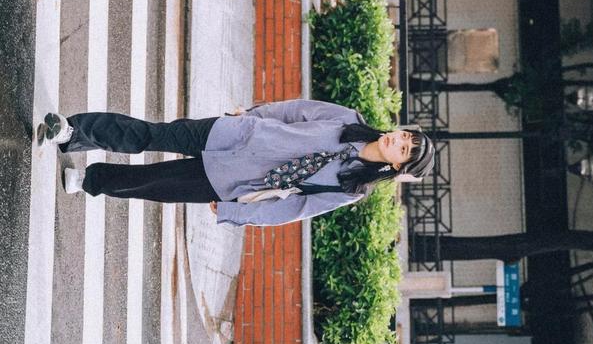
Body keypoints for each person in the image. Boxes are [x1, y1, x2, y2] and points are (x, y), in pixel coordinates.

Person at [36, 99, 435, 226]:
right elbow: (294, 111)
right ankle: (72, 132)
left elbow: (292, 209)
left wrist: (236, 213)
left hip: (229, 181)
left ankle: (90, 180)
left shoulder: (351, 189)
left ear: (397, 168)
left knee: (153, 184)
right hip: (233, 134)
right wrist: (253, 113)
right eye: (405, 136)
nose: (398, 140)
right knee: (151, 134)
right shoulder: (348, 119)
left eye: (404, 149)